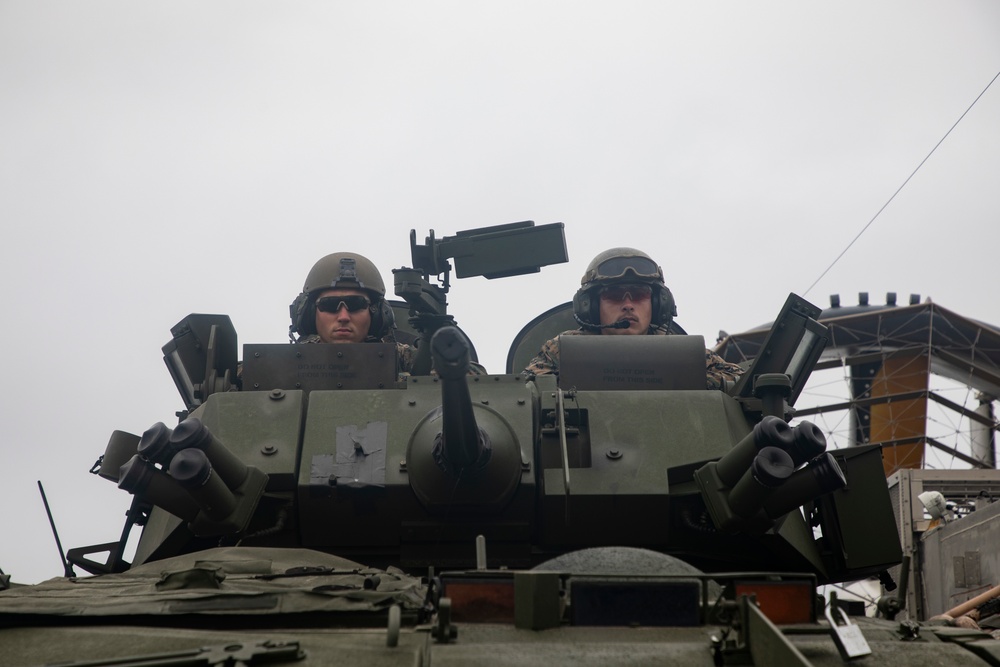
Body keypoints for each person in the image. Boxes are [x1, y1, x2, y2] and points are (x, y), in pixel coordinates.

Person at [523, 247, 743, 390]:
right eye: (614, 295)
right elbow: (525, 388)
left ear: (657, 305)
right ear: (590, 306)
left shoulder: (679, 354)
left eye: (639, 295)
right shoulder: (562, 351)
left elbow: (741, 380)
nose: (628, 305)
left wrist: (680, 381)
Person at [289, 252, 417, 372]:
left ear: (376, 313)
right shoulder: (288, 364)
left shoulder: (402, 359)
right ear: (310, 313)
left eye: (356, 304)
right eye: (329, 304)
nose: (343, 317)